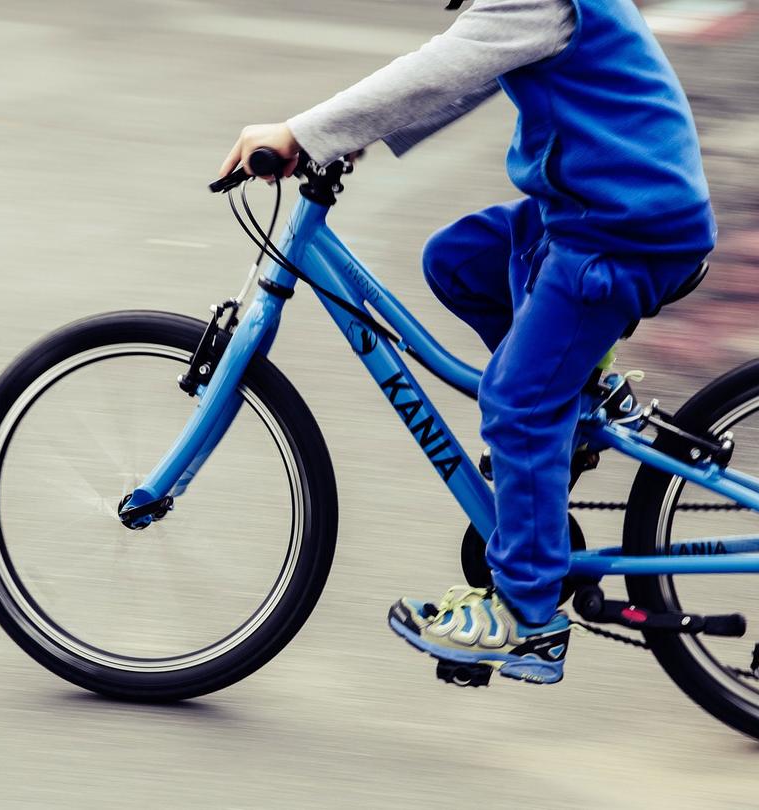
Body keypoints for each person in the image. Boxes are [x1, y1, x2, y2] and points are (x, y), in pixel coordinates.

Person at [218, 0, 715, 685]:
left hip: (620, 233)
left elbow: (443, 66)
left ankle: (529, 619)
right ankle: (573, 395)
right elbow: (471, 64)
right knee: (457, 262)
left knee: (517, 406)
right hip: (595, 213)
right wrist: (350, 131)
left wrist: (304, 132)